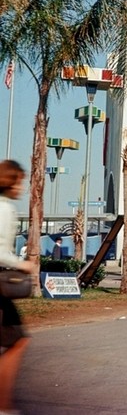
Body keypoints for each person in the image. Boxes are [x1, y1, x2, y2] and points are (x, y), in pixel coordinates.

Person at [0, 160, 35, 413]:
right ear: (10, 181)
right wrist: (22, 265)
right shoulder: (4, 209)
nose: (22, 187)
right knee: (17, 342)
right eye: (21, 181)